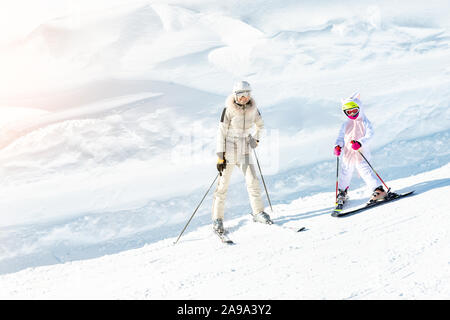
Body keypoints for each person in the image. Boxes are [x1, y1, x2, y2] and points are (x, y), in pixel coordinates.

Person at [212, 80, 272, 234]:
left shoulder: (253, 109)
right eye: (240, 94)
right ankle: (217, 220)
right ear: (235, 95)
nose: (244, 97)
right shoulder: (228, 110)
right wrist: (220, 156)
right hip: (229, 152)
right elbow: (221, 133)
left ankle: (258, 212)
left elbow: (261, 125)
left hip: (245, 151)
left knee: (253, 181)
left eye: (247, 94)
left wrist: (256, 138)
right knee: (222, 187)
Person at [334, 91, 387, 205]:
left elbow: (370, 135)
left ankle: (379, 190)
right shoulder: (345, 125)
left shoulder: (365, 122)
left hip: (360, 151)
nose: (352, 114)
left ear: (359, 108)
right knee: (345, 171)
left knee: (365, 170)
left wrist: (360, 143)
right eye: (349, 112)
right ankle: (342, 192)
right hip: (348, 153)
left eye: (354, 110)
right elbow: (340, 138)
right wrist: (338, 146)